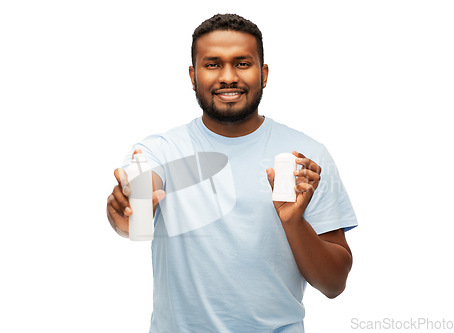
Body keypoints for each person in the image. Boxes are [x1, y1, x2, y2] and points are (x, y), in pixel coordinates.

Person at [107, 13, 358, 333]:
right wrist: (125, 209)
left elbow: (334, 283)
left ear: (264, 74)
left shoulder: (306, 158)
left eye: (242, 63)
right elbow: (135, 200)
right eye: (212, 64)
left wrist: (293, 222)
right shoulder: (161, 151)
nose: (228, 76)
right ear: (192, 75)